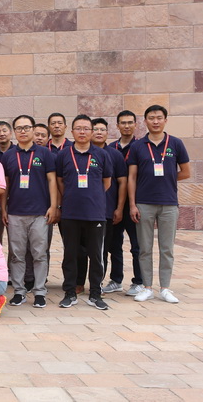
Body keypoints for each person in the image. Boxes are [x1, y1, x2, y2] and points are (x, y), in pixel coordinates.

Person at [127, 105, 191, 304]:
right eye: (151, 118)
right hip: (144, 203)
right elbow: (131, 177)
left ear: (165, 120)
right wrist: (132, 205)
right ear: (145, 121)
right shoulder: (137, 146)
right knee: (144, 248)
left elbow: (186, 172)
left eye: (159, 118)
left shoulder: (176, 144)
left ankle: (165, 288)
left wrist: (167, 179)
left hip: (169, 203)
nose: (155, 121)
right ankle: (147, 287)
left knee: (167, 248)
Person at [0, 115, 58, 308]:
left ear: (33, 129)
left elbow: (52, 180)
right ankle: (19, 291)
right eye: (19, 128)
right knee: (16, 254)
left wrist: (53, 206)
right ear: (14, 132)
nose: (23, 131)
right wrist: (3, 208)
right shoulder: (8, 155)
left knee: (39, 254)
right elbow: (5, 185)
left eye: (26, 127)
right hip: (15, 212)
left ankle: (40, 291)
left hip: (40, 213)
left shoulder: (45, 153)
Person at [56, 115, 112, 310]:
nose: (82, 132)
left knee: (96, 256)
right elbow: (60, 181)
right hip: (70, 213)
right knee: (70, 255)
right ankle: (70, 293)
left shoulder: (101, 155)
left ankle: (95, 293)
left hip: (95, 213)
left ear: (92, 132)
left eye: (86, 128)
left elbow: (106, 182)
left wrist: (93, 197)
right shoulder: (64, 155)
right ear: (72, 131)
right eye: (78, 128)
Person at [103, 110, 143, 296]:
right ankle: (116, 280)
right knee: (114, 245)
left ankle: (139, 281)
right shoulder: (111, 149)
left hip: (135, 204)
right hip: (115, 204)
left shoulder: (142, 146)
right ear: (117, 126)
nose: (126, 126)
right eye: (123, 123)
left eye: (130, 122)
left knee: (137, 245)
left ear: (136, 124)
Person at [89, 118, 129, 298]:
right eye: (95, 129)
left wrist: (119, 208)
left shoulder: (115, 155)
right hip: (84, 210)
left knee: (104, 249)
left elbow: (122, 182)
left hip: (107, 210)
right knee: (84, 249)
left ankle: (101, 283)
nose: (99, 132)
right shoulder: (81, 152)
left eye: (102, 129)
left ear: (107, 132)